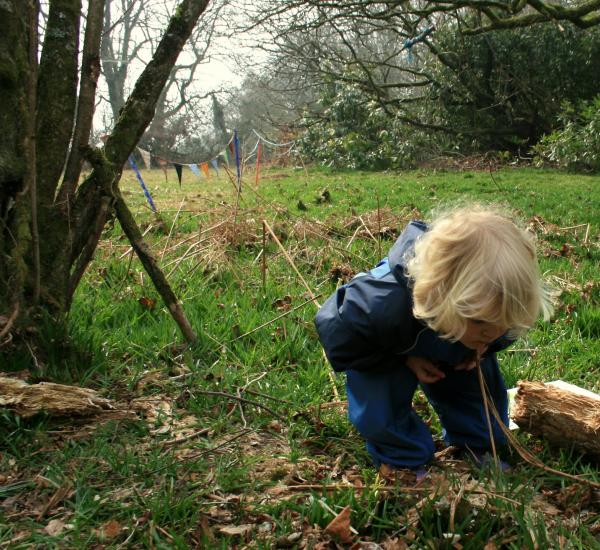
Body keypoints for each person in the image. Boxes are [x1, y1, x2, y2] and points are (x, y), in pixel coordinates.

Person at [315, 205, 553, 473]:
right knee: (381, 394)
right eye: (482, 323)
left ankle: (477, 443)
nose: (492, 333)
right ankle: (401, 458)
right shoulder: (381, 304)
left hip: (447, 327)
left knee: (475, 378)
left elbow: (493, 329)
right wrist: (405, 356)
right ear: (438, 294)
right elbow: (338, 330)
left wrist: (481, 349)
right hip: (382, 342)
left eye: (503, 323)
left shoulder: (491, 316)